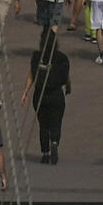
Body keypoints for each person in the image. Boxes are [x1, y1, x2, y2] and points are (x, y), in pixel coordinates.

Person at [28, 25, 70, 163]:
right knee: (56, 122)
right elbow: (65, 78)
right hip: (56, 94)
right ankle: (55, 142)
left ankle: (45, 153)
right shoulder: (62, 58)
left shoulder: (36, 57)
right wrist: (68, 87)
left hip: (40, 94)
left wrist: (25, 92)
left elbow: (33, 75)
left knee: (43, 125)